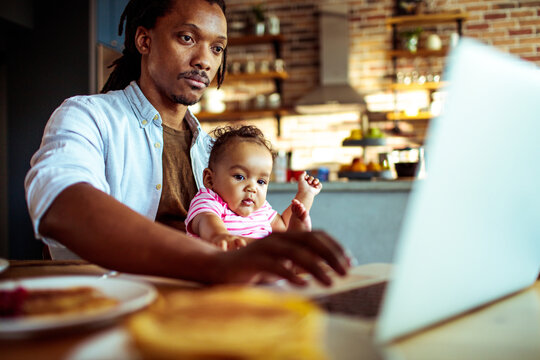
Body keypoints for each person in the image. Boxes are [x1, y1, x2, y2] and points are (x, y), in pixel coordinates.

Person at [24, 0, 350, 286]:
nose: (204, 60)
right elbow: (60, 202)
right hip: (105, 304)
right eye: (187, 38)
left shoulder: (212, 150)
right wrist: (214, 264)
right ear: (144, 39)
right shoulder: (88, 116)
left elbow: (247, 227)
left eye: (217, 48)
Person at [185, 125, 322, 250]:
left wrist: (305, 195)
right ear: (209, 179)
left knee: (295, 247)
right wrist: (219, 236)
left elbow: (283, 226)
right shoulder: (209, 201)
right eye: (240, 177)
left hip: (261, 265)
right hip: (223, 266)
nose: (252, 188)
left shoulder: (262, 210)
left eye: (261, 181)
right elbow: (206, 220)